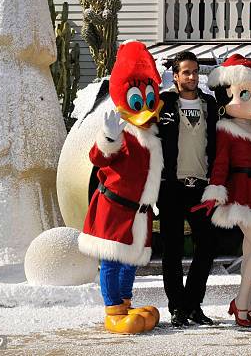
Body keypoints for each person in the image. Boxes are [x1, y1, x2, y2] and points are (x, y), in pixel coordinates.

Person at [192, 54, 251, 327]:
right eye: (245, 94)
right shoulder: (226, 129)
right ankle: (241, 303)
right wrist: (215, 191)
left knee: (250, 251)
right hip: (240, 193)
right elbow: (221, 163)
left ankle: (246, 304)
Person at [78, 41, 163, 334]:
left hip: (139, 212)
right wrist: (109, 137)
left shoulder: (151, 133)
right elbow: (98, 158)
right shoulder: (121, 129)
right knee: (112, 261)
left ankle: (125, 304)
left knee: (130, 262)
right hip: (114, 208)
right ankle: (113, 310)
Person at [157, 51, 219, 327]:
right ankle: (176, 308)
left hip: (201, 187)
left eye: (195, 71)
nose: (192, 76)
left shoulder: (210, 104)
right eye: (186, 72)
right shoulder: (163, 103)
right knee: (172, 250)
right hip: (171, 186)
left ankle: (193, 305)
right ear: (176, 74)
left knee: (206, 247)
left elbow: (217, 142)